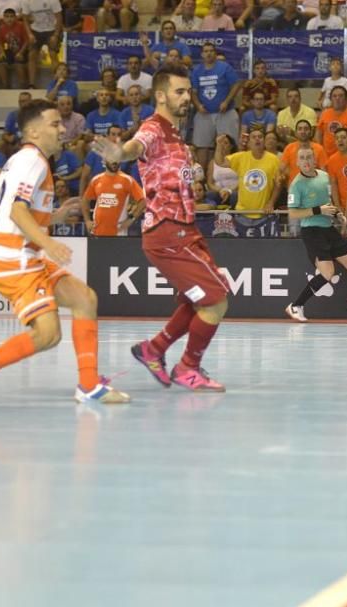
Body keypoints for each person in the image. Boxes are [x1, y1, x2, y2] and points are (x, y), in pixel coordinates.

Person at [0, 99, 129, 406]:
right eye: (54, 124)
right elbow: (18, 212)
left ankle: (88, 385)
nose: (62, 128)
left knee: (84, 299)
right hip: (13, 257)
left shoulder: (31, 161)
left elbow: (21, 211)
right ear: (32, 131)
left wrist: (56, 216)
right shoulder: (31, 160)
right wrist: (49, 243)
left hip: (22, 254)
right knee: (48, 334)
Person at [93, 62, 229, 392]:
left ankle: (153, 349)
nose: (187, 97)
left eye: (188, 91)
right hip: (167, 232)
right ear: (161, 95)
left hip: (186, 230)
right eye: (179, 92)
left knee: (197, 301)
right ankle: (187, 368)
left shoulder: (176, 134)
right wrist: (120, 152)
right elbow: (135, 146)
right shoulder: (153, 128)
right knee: (216, 301)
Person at [284, 145, 347, 322]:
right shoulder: (296, 185)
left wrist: (337, 214)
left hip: (329, 229)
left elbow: (328, 202)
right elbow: (293, 213)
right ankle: (296, 305)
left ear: (315, 159)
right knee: (327, 273)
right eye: (302, 158)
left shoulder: (324, 176)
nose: (306, 161)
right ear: (297, 162)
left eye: (309, 157)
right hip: (312, 231)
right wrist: (319, 210)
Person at [191, 42, 240, 175]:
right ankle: (202, 179)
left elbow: (236, 84)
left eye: (211, 50)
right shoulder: (197, 71)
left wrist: (226, 101)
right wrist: (198, 105)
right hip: (204, 114)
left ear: (215, 53)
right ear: (202, 54)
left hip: (225, 112)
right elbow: (193, 92)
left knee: (228, 145)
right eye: (206, 51)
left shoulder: (224, 67)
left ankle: (232, 175)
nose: (209, 53)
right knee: (202, 146)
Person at [227, 126, 282, 237]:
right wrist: (219, 146)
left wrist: (271, 202)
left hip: (264, 215)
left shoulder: (274, 159)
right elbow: (219, 162)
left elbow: (278, 184)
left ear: (264, 141)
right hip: (242, 214)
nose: (257, 139)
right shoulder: (241, 157)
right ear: (249, 142)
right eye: (254, 137)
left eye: (260, 137)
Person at [82, 159, 144, 236]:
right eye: (112, 159)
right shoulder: (96, 180)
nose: (114, 162)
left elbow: (143, 201)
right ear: (105, 160)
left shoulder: (127, 180)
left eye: (117, 159)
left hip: (119, 232)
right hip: (97, 231)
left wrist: (131, 218)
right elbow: (85, 200)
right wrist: (87, 220)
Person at [316, 86, 347, 156]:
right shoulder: (325, 114)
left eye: (341, 96)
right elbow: (319, 134)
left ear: (346, 99)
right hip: (328, 158)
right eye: (334, 96)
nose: (337, 98)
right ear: (330, 99)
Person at [22, 0, 62, 88]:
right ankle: (31, 84)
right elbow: (25, 19)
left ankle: (57, 82)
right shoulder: (26, 2)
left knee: (53, 54)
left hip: (51, 30)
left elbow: (59, 17)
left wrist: (55, 35)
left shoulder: (53, 1)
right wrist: (29, 34)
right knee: (32, 55)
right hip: (35, 31)